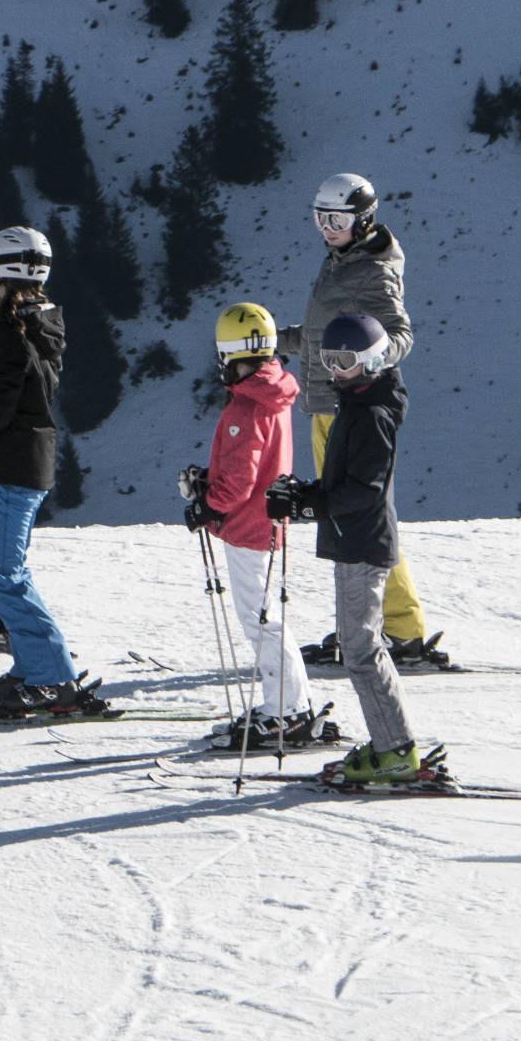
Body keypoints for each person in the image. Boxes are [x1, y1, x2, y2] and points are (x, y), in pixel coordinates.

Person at [278, 173, 443, 667]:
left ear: (363, 219)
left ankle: (396, 631)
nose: (326, 228)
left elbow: (399, 333)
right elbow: (324, 332)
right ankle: (367, 623)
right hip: (329, 400)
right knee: (351, 520)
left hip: (348, 402)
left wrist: (372, 355)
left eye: (337, 219)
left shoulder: (373, 270)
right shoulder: (342, 261)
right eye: (320, 218)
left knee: (361, 517)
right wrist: (276, 338)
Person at [266, 314, 430, 784]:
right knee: (360, 648)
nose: (335, 370)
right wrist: (304, 495)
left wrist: (311, 504)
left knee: (361, 651)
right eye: (328, 359)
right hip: (352, 540)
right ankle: (390, 743)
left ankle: (396, 748)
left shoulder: (372, 414)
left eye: (345, 361)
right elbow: (346, 483)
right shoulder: (357, 404)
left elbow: (365, 490)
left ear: (373, 360)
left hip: (363, 543)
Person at [0, 228, 99, 716]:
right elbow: (5, 401)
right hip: (17, 462)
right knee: (2, 573)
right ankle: (34, 666)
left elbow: (0, 409)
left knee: (2, 576)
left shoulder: (13, 334)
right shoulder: (33, 325)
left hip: (11, 466)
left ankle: (52, 676)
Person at [182, 302, 331, 748]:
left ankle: (286, 710)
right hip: (265, 523)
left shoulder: (246, 408)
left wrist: (207, 504)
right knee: (266, 617)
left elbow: (240, 481)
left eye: (223, 358)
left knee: (259, 620)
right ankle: (291, 704)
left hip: (247, 526)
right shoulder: (274, 394)